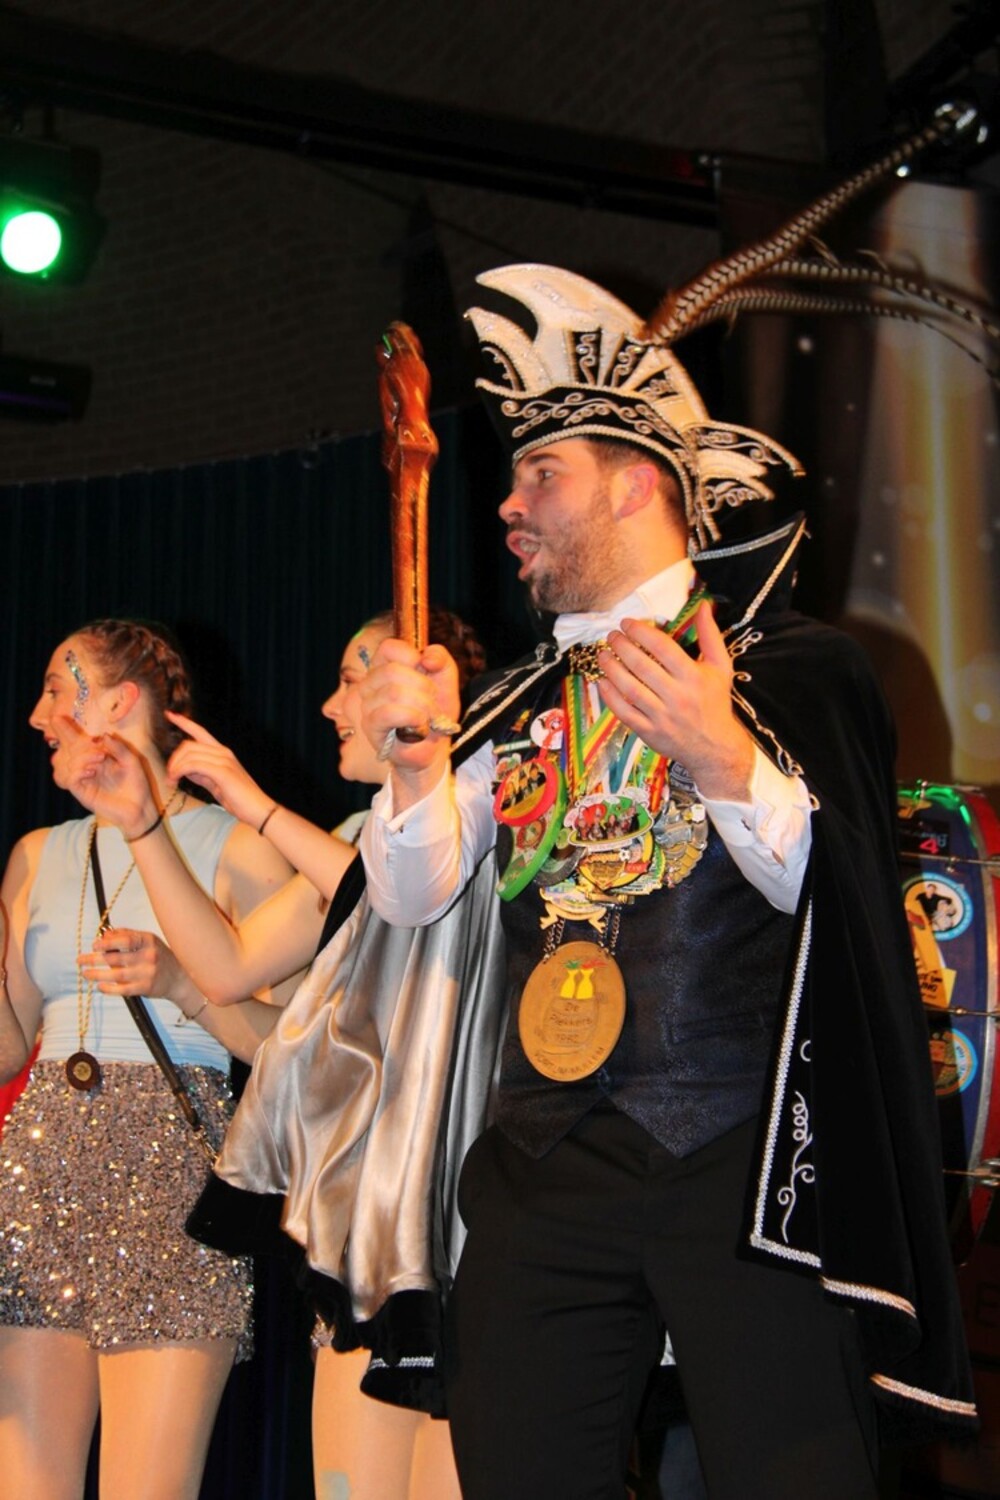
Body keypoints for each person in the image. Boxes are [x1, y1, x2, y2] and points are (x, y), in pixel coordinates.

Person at [355, 263, 977, 1499]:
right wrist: (413, 768)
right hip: (542, 1159)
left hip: (744, 1160)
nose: (508, 507)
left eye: (543, 475)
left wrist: (723, 755)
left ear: (637, 482)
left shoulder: (792, 670)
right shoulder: (516, 702)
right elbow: (411, 898)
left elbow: (836, 900)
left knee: (793, 1478)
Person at [64, 608, 499, 1500]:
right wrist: (143, 826)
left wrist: (253, 806)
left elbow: (399, 896)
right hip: (367, 1228)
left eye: (354, 679)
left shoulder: (490, 815)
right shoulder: (353, 833)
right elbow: (228, 968)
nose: (332, 705)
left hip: (473, 1226)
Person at [0, 618, 299, 1500]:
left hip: (172, 1178)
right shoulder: (37, 855)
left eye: (57, 690)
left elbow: (296, 1050)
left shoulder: (238, 849)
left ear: (120, 702)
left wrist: (181, 985)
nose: (37, 716)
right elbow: (10, 1048)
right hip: (41, 1176)